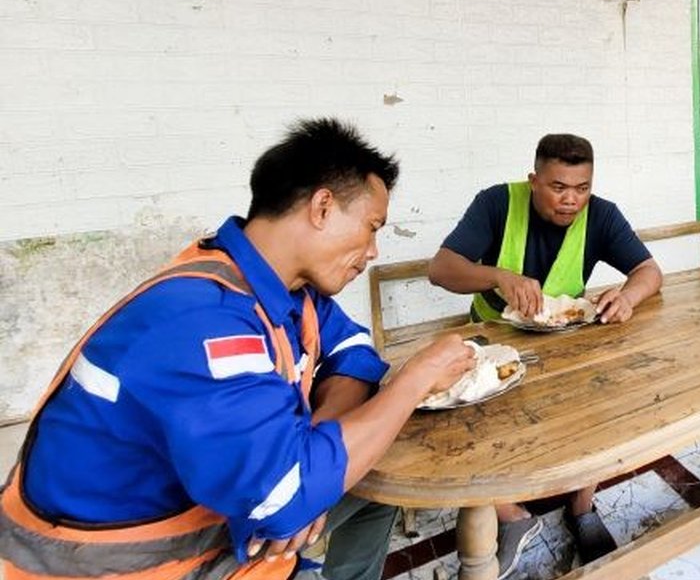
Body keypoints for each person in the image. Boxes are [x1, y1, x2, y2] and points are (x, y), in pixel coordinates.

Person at [0, 118, 477, 580]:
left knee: (371, 489)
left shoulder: (288, 291)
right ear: (323, 207)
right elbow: (283, 501)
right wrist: (416, 378)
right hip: (137, 564)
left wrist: (314, 463)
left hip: (227, 520)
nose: (373, 250)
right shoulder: (203, 320)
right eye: (373, 226)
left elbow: (355, 351)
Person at [428, 132, 663, 577]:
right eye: (558, 187)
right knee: (459, 417)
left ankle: (582, 505)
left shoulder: (603, 215)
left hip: (566, 339)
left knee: (602, 399)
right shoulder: (497, 203)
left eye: (582, 188)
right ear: (534, 180)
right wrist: (498, 276)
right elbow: (440, 269)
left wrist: (629, 296)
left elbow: (649, 271)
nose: (571, 200)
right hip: (491, 337)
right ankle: (512, 515)